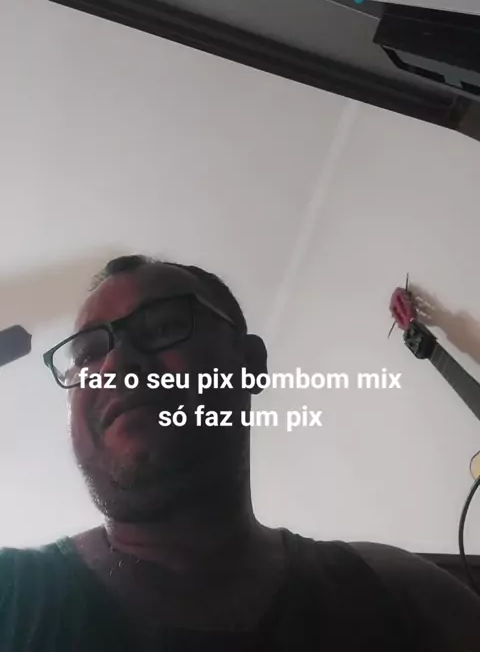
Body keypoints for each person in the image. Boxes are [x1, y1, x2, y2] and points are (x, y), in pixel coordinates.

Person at [1, 255, 479, 651]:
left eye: (163, 324)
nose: (116, 363)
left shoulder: (398, 591)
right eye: (86, 354)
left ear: (250, 363)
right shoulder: (12, 594)